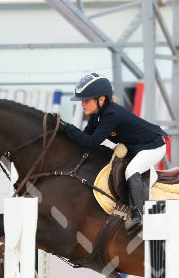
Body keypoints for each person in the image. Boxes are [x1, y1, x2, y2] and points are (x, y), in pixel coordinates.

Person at [58, 72, 168, 229]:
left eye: (86, 100)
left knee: (132, 170)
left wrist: (68, 128)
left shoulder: (111, 114)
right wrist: (65, 131)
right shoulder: (96, 115)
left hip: (153, 147)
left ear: (101, 99)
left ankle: (138, 215)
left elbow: (92, 142)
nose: (82, 104)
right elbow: (84, 137)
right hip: (135, 146)